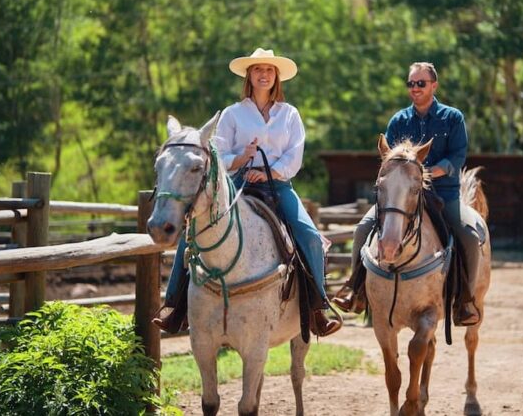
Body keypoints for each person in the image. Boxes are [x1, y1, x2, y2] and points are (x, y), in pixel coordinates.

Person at [153, 48, 342, 337]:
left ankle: (318, 308)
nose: (263, 75)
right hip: (236, 187)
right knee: (190, 234)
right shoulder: (232, 114)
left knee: (310, 237)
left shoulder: (290, 114)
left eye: (269, 70)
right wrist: (242, 160)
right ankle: (174, 308)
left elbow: (295, 156)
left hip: (278, 187)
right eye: (257, 70)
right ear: (249, 76)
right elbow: (217, 155)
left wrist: (268, 171)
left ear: (276, 76)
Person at [332, 62, 483, 326]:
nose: (415, 88)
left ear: (433, 85)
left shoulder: (452, 118)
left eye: (420, 83)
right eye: (411, 84)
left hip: (442, 194)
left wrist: (430, 172)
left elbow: (458, 156)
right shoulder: (398, 120)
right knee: (362, 229)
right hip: (400, 197)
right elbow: (387, 158)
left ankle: (465, 301)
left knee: (469, 236)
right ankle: (356, 291)